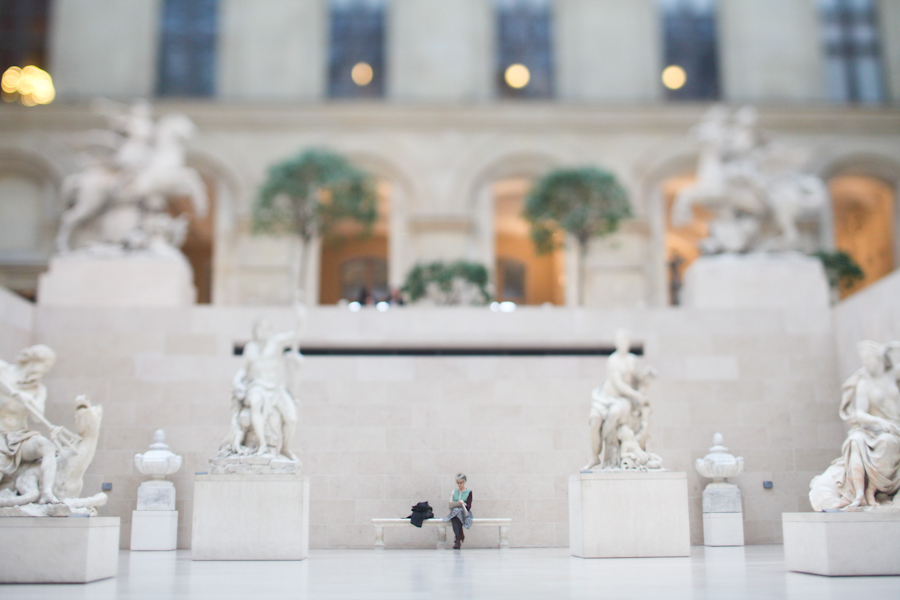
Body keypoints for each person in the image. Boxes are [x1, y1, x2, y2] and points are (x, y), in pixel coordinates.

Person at [810, 340, 900, 510]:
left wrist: (891, 347)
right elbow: (860, 413)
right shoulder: (864, 383)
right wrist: (879, 421)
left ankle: (872, 490)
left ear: (879, 358)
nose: (866, 363)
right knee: (855, 440)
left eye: (869, 358)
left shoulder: (892, 376)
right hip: (873, 429)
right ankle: (858, 494)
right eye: (863, 359)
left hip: (894, 429)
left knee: (887, 441)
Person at [0, 345, 66, 504]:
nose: (44, 371)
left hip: (19, 435)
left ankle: (47, 493)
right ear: (33, 361)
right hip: (1, 433)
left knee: (46, 446)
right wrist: (14, 393)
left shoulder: (38, 388)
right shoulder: (3, 371)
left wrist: (30, 400)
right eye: (44, 366)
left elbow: (37, 417)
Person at [442, 473, 473, 549]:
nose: (459, 485)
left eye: (460, 483)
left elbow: (469, 506)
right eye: (458, 483)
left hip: (465, 513)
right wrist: (453, 504)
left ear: (464, 482)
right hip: (454, 513)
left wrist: (464, 504)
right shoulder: (454, 491)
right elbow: (451, 504)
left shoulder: (469, 492)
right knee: (455, 512)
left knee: (457, 513)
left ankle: (457, 538)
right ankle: (459, 536)